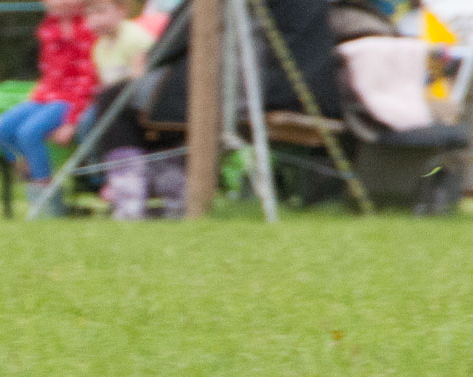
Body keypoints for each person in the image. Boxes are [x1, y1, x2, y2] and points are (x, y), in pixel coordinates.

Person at [93, 0, 344, 218]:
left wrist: (151, 61)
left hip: (257, 87)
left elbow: (182, 32)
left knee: (116, 99)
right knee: (155, 106)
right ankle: (171, 198)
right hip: (311, 90)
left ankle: (131, 204)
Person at [0, 0, 98, 217]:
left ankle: (47, 201)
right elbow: (48, 72)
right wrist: (38, 99)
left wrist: (71, 121)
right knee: (0, 128)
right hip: (48, 95)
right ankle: (26, 168)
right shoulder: (49, 27)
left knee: (29, 133)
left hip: (73, 98)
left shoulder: (89, 28)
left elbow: (89, 79)